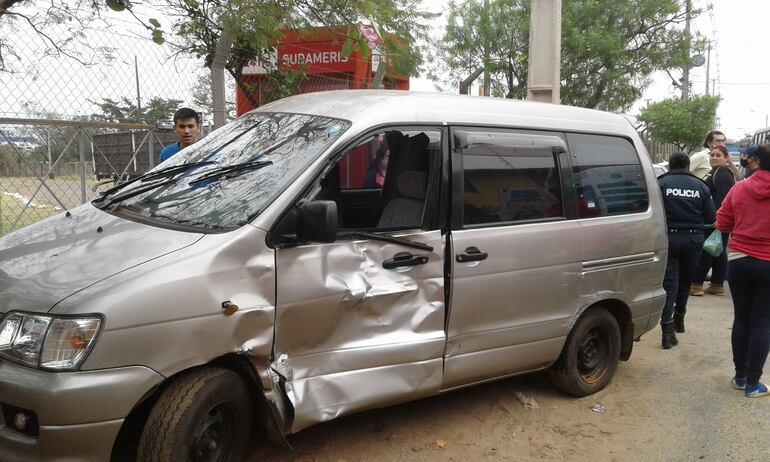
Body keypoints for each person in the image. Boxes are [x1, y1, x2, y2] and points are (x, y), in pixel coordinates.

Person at [715, 143, 770, 397]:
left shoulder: (740, 188)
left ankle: (739, 377)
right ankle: (752, 384)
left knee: (742, 319)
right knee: (762, 323)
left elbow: (722, 222)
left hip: (739, 260)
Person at [658, 152, 716, 349]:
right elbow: (711, 217)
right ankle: (679, 320)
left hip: (669, 238)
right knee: (685, 282)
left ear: (670, 166)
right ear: (688, 165)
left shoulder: (661, 183)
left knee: (669, 284)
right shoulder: (701, 186)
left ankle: (666, 331)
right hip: (693, 239)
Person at [690, 145, 740, 299]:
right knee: (717, 251)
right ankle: (717, 285)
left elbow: (723, 198)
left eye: (718, 155)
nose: (713, 157)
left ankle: (697, 284)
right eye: (712, 155)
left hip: (717, 220)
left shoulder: (723, 172)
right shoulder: (719, 171)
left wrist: (716, 219)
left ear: (726, 158)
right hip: (720, 220)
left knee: (708, 250)